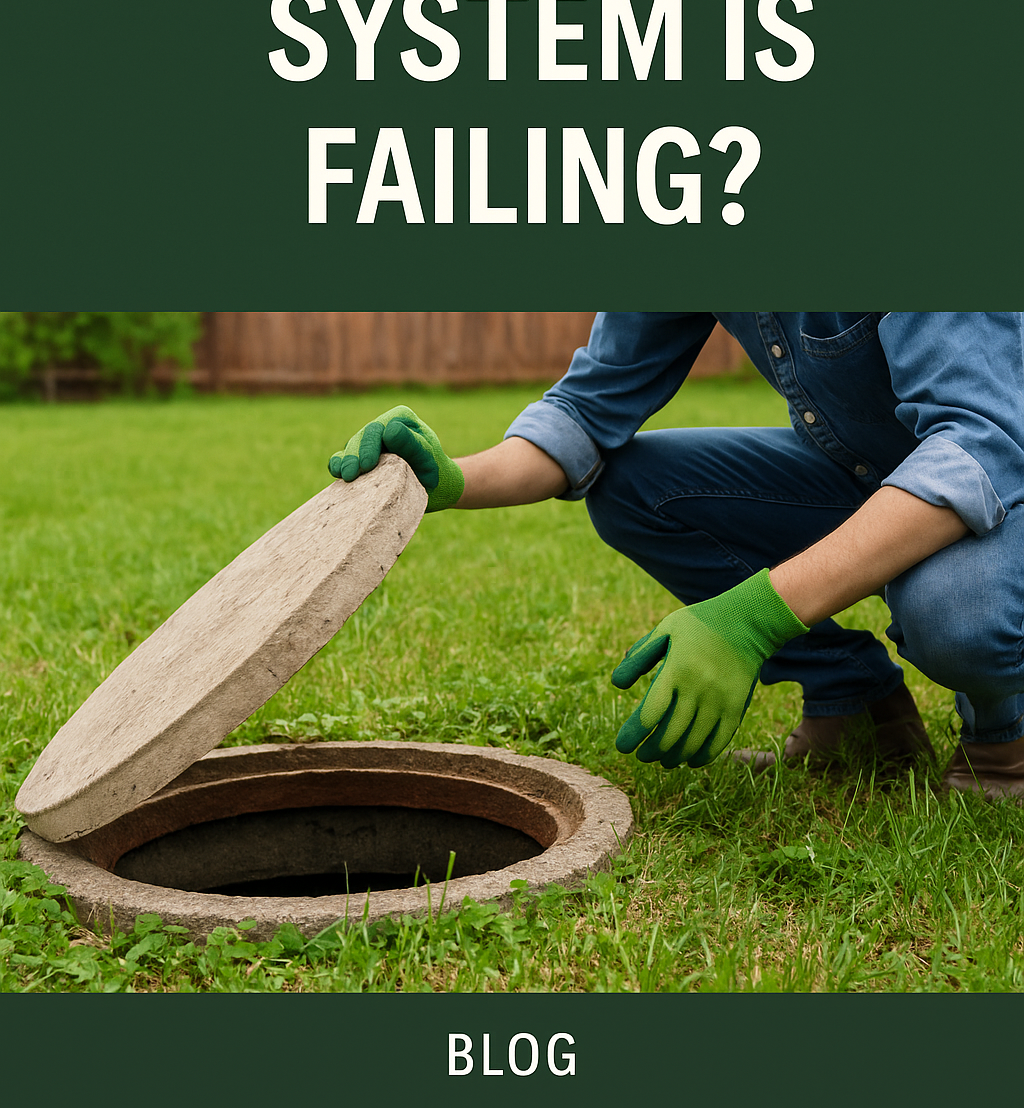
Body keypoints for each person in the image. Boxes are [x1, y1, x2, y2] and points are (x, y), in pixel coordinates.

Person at [329, 313, 1024, 800]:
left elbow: (978, 445)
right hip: (868, 471)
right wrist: (452, 479)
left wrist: (752, 617)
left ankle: (1003, 738)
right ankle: (860, 712)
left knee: (958, 609)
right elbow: (587, 409)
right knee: (637, 488)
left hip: (1004, 481)